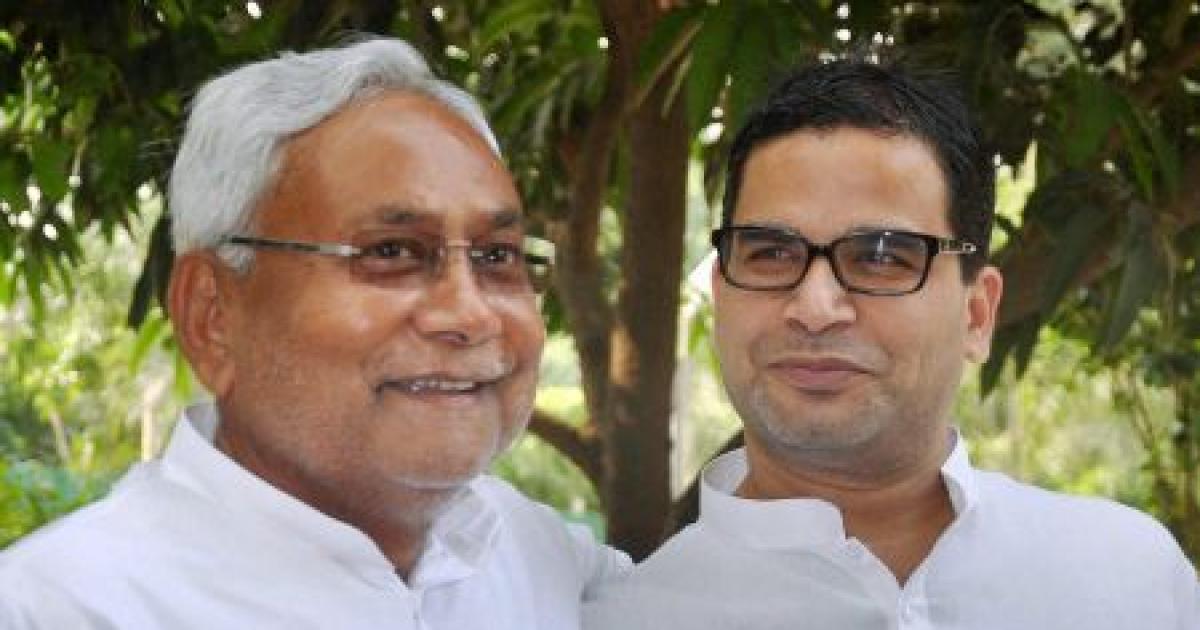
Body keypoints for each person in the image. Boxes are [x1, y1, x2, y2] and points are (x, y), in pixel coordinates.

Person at [0, 37, 628, 628]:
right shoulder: (60, 609)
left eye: (496, 256)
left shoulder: (539, 558)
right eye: (391, 251)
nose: (470, 315)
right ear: (213, 317)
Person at [585, 56, 1199, 629]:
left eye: (881, 256)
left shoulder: (1128, 578)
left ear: (977, 315)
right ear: (721, 295)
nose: (814, 309)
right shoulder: (630, 618)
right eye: (771, 253)